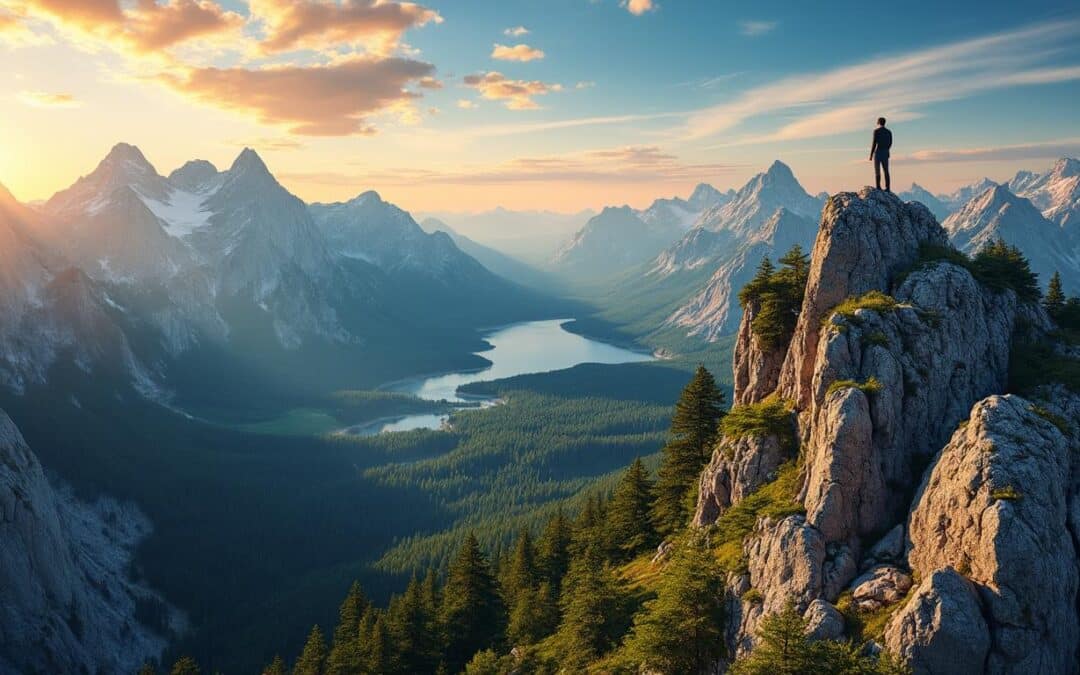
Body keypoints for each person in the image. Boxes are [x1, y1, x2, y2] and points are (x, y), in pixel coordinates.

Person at [869, 117, 892, 191]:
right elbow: (890, 143)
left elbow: (874, 143)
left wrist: (871, 155)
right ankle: (887, 188)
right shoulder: (889, 132)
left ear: (878, 122)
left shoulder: (876, 131)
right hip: (885, 152)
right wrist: (887, 150)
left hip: (878, 152)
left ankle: (878, 187)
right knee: (886, 170)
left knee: (877, 170)